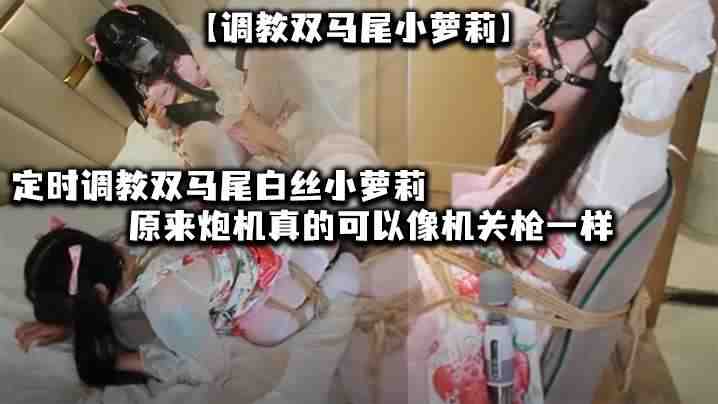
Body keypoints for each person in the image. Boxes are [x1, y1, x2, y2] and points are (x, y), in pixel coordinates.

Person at [339, 1, 650, 404]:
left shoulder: (609, 169)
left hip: (487, 320)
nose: (538, 40)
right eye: (546, 21)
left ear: (620, 55)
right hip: (465, 270)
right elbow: (513, 37)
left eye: (566, 24)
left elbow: (669, 59)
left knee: (338, 301)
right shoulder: (545, 133)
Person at [14, 215, 359, 388]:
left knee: (264, 330)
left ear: (99, 296)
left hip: (268, 261)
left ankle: (339, 269)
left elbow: (212, 369)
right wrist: (69, 321)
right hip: (236, 238)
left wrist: (117, 359)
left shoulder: (164, 300)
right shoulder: (114, 247)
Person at [86, 1, 291, 168]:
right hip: (216, 138)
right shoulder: (140, 88)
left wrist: (247, 117)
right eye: (129, 57)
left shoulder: (180, 38)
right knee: (200, 138)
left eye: (138, 44)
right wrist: (163, 122)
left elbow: (217, 70)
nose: (141, 56)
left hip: (239, 108)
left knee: (266, 54)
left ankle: (275, 137)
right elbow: (158, 131)